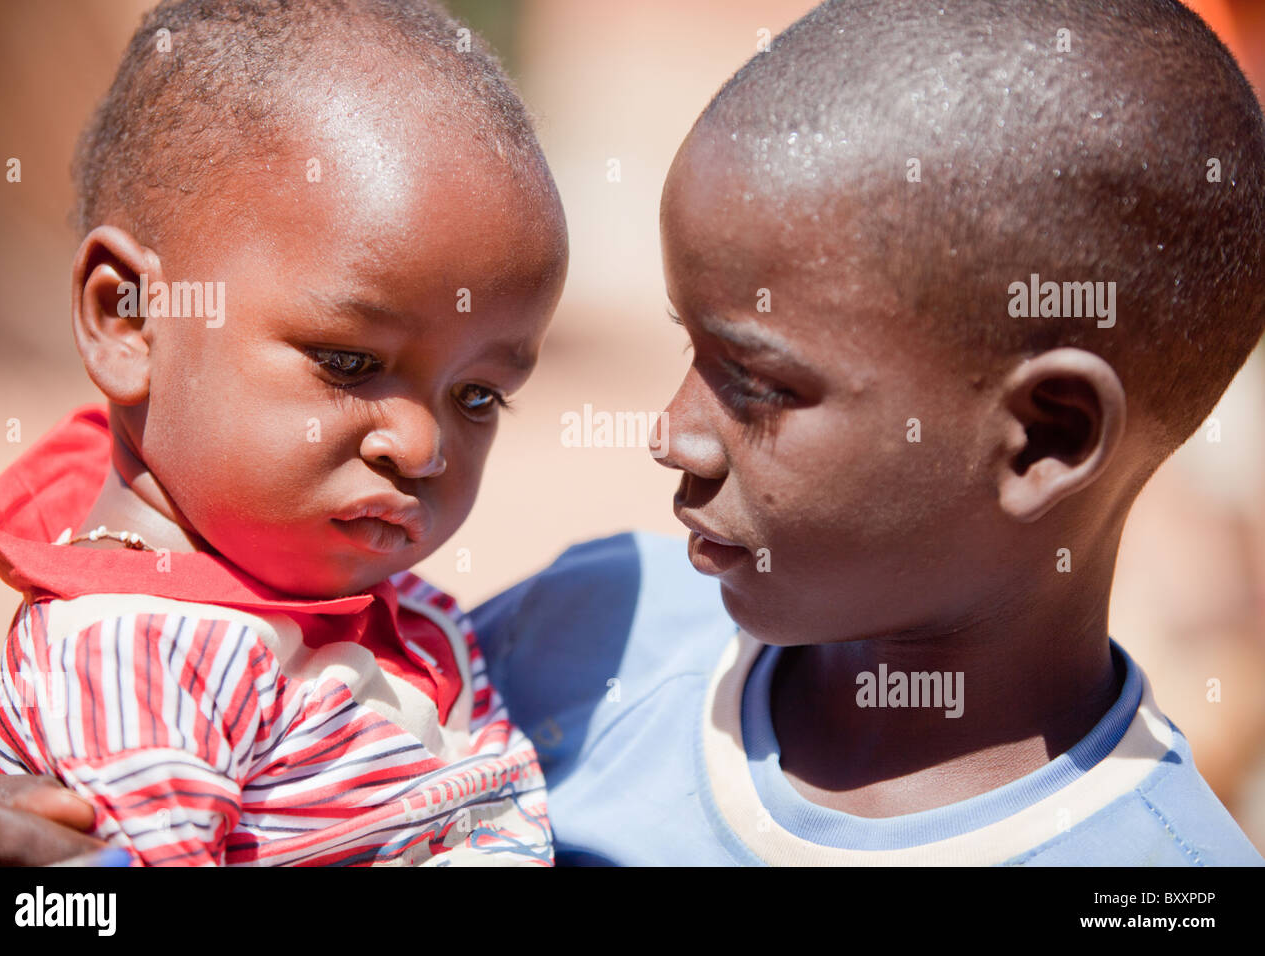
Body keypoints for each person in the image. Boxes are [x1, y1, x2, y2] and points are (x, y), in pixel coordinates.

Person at [472, 0, 1265, 864]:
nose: (673, 434)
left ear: (1047, 439)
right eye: (690, 344)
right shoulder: (585, 637)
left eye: (760, 384)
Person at [0, 0, 567, 866]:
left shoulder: (396, 614)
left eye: (477, 396)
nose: (421, 445)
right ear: (130, 319)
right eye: (349, 364)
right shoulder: (136, 658)